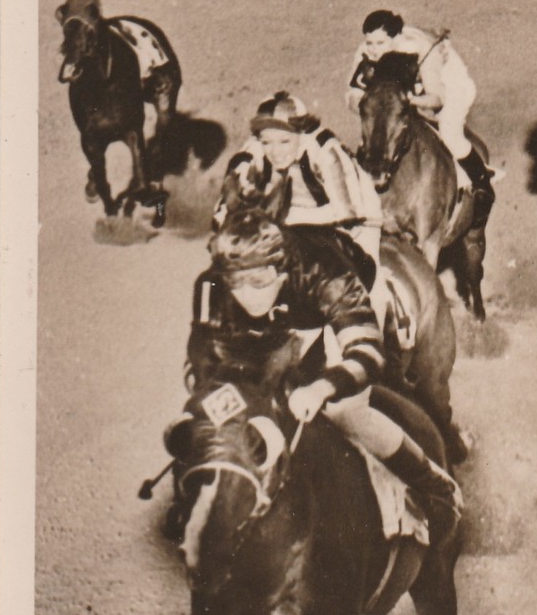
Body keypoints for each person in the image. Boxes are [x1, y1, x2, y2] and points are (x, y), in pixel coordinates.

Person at [176, 209, 460, 539]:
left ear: (280, 270)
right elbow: (204, 361)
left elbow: (367, 352)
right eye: (237, 283)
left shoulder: (326, 272)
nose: (247, 295)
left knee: (345, 411)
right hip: (281, 321)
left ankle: (435, 486)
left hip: (333, 311)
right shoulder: (213, 282)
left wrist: (321, 388)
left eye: (258, 282)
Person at [214, 91, 391, 325]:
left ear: (301, 132)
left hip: (357, 222)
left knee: (368, 286)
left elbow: (347, 212)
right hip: (293, 226)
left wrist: (286, 220)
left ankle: (389, 333)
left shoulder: (325, 150)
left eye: (284, 141)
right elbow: (225, 205)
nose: (275, 151)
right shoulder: (254, 150)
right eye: (267, 142)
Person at [349, 9, 494, 223]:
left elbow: (436, 98)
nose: (373, 51)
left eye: (380, 44)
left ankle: (481, 183)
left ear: (396, 39)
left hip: (448, 86)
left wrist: (409, 101)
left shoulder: (422, 50)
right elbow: (352, 97)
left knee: (449, 133)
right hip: (406, 91)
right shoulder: (366, 52)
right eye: (369, 43)